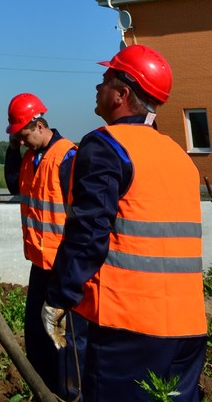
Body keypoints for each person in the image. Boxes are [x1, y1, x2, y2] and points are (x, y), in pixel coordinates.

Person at [43, 45, 206, 402]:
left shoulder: (105, 146)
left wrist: (58, 297)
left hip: (128, 330)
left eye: (104, 81)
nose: (97, 89)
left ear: (122, 94)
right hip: (188, 329)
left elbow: (88, 233)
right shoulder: (178, 156)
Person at [4, 92, 86, 400]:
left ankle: (69, 394)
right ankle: (44, 391)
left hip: (64, 269)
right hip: (39, 265)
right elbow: (14, 184)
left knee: (62, 339)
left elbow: (83, 217)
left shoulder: (68, 157)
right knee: (36, 335)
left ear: (38, 125)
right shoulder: (28, 158)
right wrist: (14, 148)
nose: (22, 141)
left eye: (23, 134)